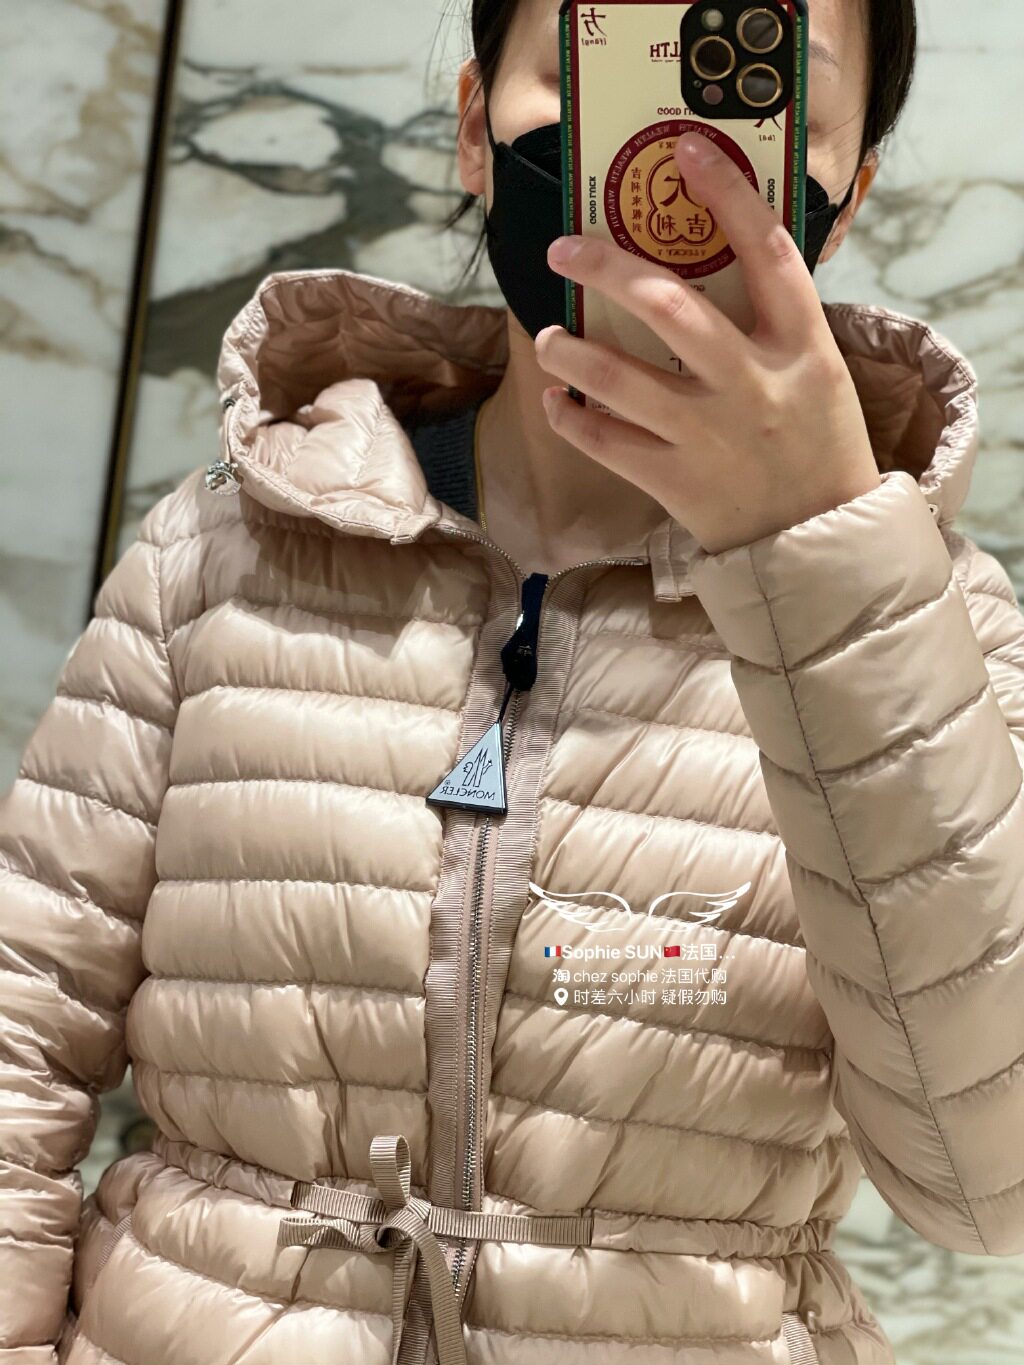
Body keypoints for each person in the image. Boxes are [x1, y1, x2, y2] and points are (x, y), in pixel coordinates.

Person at [1, 1, 1022, 1362]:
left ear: (844, 196)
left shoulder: (937, 630)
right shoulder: (224, 545)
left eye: (751, 92)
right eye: (607, 63)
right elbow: (17, 1038)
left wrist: (827, 572)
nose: (670, 150)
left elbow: (988, 1183)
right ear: (479, 126)